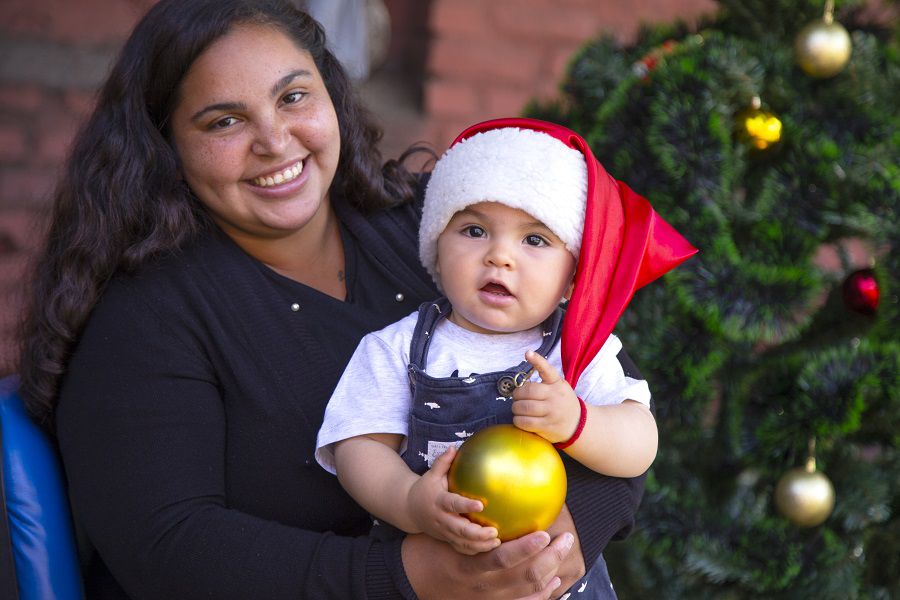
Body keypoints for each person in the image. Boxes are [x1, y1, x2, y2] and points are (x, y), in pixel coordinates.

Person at [15, 2, 653, 598]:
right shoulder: (147, 318)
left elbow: (609, 398)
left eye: (293, 97)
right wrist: (411, 577)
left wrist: (570, 535)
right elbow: (168, 549)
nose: (274, 140)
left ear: (331, 96)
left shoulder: (441, 231)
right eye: (225, 120)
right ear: (164, 144)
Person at [315, 118, 697, 598]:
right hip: (441, 576)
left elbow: (639, 444)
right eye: (474, 230)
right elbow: (359, 449)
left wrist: (580, 423)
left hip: (561, 585)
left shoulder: (578, 351)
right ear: (437, 245)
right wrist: (411, 501)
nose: (499, 256)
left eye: (534, 240)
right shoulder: (398, 347)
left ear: (573, 275)